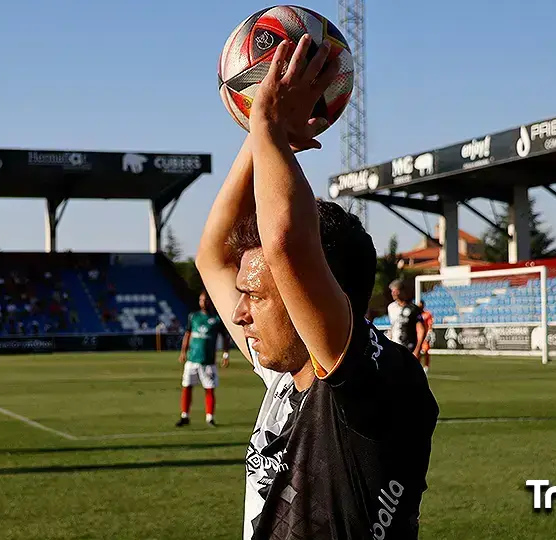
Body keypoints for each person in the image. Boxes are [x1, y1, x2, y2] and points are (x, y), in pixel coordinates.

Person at [196, 36, 439, 539]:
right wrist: (264, 134)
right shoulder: (289, 376)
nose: (239, 315)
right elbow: (212, 255)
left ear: (316, 294)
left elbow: (287, 243)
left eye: (256, 296)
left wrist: (266, 126)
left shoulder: (370, 387)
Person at [176, 290, 231, 427]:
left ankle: (210, 418)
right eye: (201, 300)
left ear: (210, 301)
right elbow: (188, 334)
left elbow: (225, 337)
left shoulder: (217, 319)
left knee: (209, 389)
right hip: (192, 359)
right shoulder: (193, 316)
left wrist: (225, 354)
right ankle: (185, 416)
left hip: (208, 361)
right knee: (186, 387)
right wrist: (183, 352)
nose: (203, 303)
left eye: (205, 300)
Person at [388, 279, 427, 360]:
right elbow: (393, 326)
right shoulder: (391, 307)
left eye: (395, 291)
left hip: (408, 347)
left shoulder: (413, 309)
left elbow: (421, 330)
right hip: (395, 346)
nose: (393, 293)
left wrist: (417, 350)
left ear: (401, 291)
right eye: (392, 291)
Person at [418, 300, 433, 374]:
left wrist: (429, 333)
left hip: (425, 335)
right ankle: (418, 366)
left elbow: (430, 324)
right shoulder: (415, 314)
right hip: (417, 336)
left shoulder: (427, 314)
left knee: (425, 351)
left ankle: (426, 367)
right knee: (418, 352)